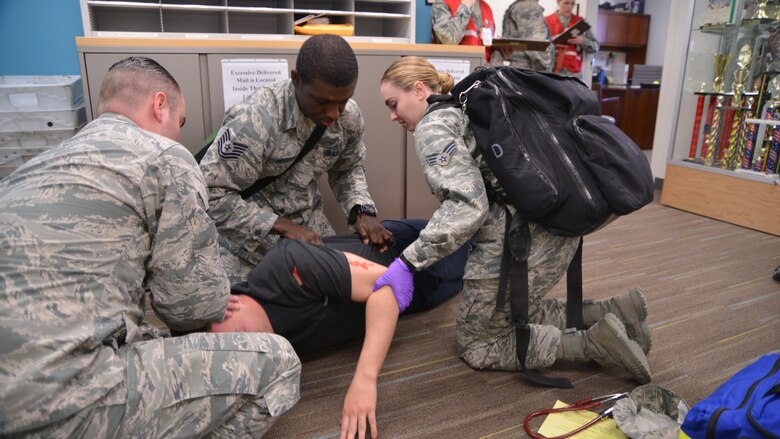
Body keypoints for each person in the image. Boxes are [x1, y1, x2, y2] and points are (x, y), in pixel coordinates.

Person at [0, 56, 301, 437]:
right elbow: (188, 307)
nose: (178, 134)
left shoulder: (30, 168)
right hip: (59, 401)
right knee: (280, 363)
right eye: (181, 121)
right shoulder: (165, 158)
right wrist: (212, 298)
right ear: (160, 105)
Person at [376, 56, 653, 385]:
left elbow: (468, 207)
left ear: (419, 90)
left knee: (478, 343)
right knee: (516, 309)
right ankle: (617, 311)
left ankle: (594, 343)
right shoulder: (466, 106)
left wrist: (408, 262)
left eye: (393, 104)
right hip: (554, 226)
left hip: (520, 241)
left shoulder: (432, 128)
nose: (393, 116)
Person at [207, 219, 469, 439]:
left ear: (230, 299)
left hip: (405, 250)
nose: (245, 346)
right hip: (413, 302)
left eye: (236, 334)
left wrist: (365, 380)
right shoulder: (268, 352)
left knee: (484, 245)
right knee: (472, 279)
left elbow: (391, 285)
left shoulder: (285, 266)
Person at [200, 34, 393, 284]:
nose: (334, 113)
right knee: (245, 315)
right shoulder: (256, 120)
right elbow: (210, 195)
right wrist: (281, 226)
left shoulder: (349, 117)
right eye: (322, 101)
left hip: (310, 231)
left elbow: (348, 168)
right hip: (247, 241)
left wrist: (361, 210)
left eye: (342, 101)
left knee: (349, 294)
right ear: (296, 80)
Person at [488, 0, 554, 71]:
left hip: (519, 71)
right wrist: (547, 69)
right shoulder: (528, 7)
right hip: (529, 71)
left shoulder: (520, 6)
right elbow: (538, 46)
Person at [546, 0, 600, 80]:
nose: (569, 7)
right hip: (551, 72)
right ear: (558, 2)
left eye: (572, 3)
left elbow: (596, 47)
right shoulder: (547, 21)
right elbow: (539, 46)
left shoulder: (581, 22)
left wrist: (582, 41)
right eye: (566, 3)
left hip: (574, 74)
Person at [431, 0, 496, 61]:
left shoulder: (486, 8)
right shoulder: (443, 3)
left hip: (480, 69)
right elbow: (449, 39)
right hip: (455, 68)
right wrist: (465, 7)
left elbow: (489, 49)